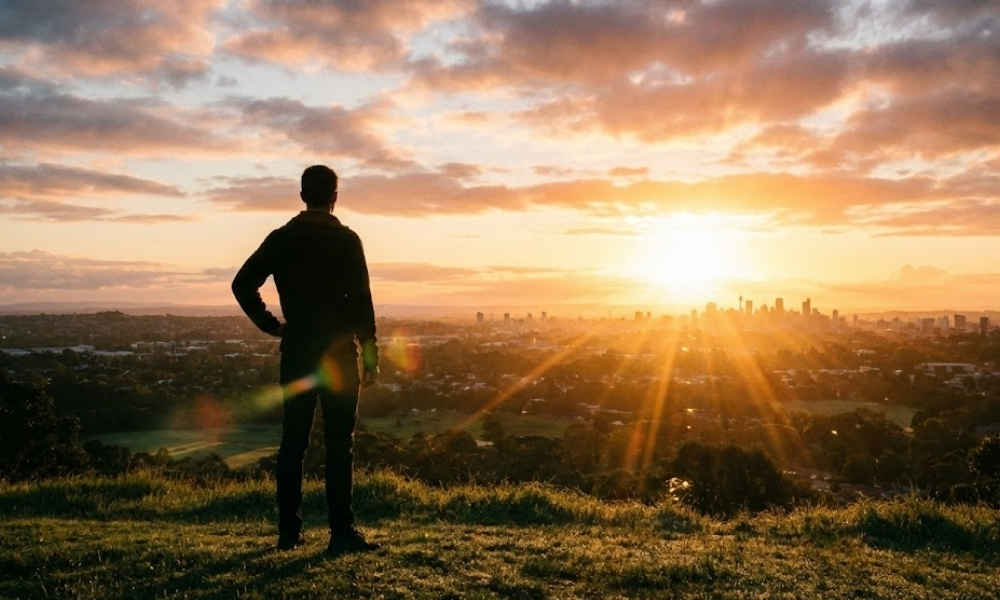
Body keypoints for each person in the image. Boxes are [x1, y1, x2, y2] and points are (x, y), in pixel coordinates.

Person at [232, 165, 380, 554]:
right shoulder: (347, 241)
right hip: (340, 355)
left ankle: (289, 532)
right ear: (335, 197)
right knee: (339, 444)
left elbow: (242, 283)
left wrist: (271, 325)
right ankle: (341, 531)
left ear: (302, 196)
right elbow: (362, 302)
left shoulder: (282, 239)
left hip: (298, 351)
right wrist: (371, 354)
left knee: (293, 442)